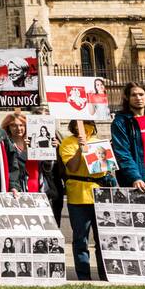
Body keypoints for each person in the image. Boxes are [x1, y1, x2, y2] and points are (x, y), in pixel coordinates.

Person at [60, 119, 111, 280]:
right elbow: (72, 167)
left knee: (102, 239)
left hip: (99, 194)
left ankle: (104, 274)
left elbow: (105, 168)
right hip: (78, 196)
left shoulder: (99, 142)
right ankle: (83, 276)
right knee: (80, 239)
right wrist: (80, 151)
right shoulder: (67, 143)